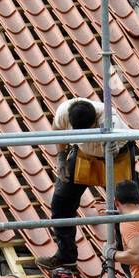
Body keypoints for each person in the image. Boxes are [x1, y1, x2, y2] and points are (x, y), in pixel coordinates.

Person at [37, 97, 107, 268]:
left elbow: (124, 143)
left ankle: (127, 258)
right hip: (83, 153)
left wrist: (114, 147)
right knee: (61, 203)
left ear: (94, 123)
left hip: (114, 156)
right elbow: (57, 130)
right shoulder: (64, 112)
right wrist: (61, 158)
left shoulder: (110, 119)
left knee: (122, 208)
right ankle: (66, 255)